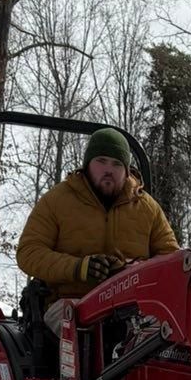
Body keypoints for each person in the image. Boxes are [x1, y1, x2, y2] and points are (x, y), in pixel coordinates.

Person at [15, 128, 178, 329]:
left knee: (169, 330)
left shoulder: (148, 208)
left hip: (133, 306)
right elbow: (29, 253)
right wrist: (79, 268)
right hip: (71, 302)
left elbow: (170, 258)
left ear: (127, 171)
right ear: (87, 165)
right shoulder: (57, 201)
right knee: (87, 331)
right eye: (101, 161)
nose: (108, 169)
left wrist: (133, 271)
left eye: (116, 164)